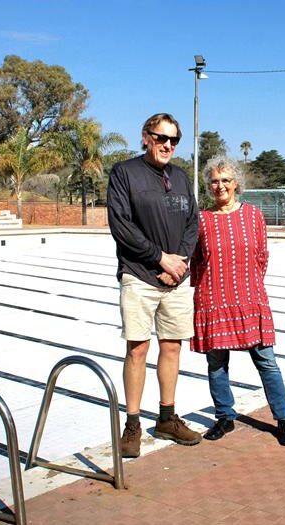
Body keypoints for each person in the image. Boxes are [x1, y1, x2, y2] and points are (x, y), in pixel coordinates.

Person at [107, 113, 202, 458]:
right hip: (139, 274)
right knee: (137, 349)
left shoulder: (179, 176)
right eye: (161, 138)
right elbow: (121, 226)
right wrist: (160, 258)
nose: (168, 145)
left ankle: (166, 418)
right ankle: (132, 424)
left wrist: (180, 262)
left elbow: (193, 221)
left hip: (175, 278)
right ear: (145, 137)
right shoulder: (124, 173)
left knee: (172, 347)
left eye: (174, 140)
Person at [190, 155, 285, 446]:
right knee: (216, 364)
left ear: (236, 183)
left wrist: (247, 286)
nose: (220, 185)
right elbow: (197, 261)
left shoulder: (253, 215)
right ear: (208, 185)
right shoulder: (202, 219)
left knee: (267, 362)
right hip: (212, 300)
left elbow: (262, 256)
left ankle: (284, 419)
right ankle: (224, 417)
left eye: (225, 180)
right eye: (214, 180)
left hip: (250, 299)